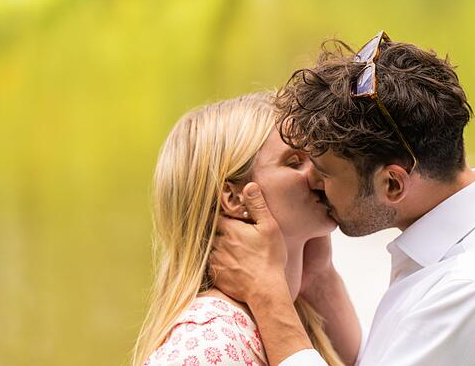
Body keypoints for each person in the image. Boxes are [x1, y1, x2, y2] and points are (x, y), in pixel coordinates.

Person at [210, 32, 475, 365]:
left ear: (392, 184)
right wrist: (319, 278)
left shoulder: (471, 291)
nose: (313, 182)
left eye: (326, 173)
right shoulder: (471, 238)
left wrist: (267, 294)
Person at [132, 92, 360, 366]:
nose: (321, 171)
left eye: (316, 155)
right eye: (294, 161)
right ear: (233, 197)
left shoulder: (287, 323)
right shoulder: (211, 342)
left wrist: (318, 277)